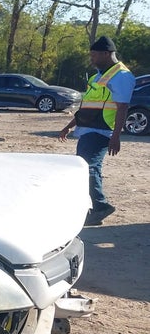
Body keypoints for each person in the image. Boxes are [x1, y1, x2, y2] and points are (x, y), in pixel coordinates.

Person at [59, 35, 136, 226]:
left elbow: (122, 108)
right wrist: (69, 126)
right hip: (88, 130)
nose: (91, 59)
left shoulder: (121, 76)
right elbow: (88, 107)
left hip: (101, 132)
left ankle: (100, 206)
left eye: (94, 55)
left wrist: (116, 136)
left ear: (106, 53)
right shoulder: (97, 76)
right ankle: (94, 208)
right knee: (89, 168)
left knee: (88, 168)